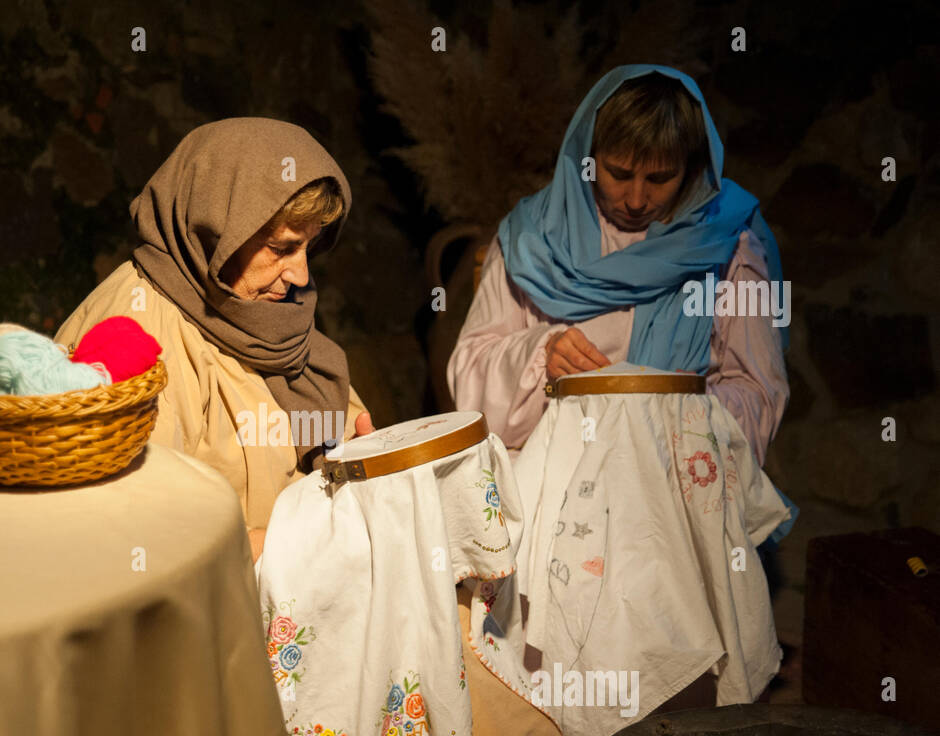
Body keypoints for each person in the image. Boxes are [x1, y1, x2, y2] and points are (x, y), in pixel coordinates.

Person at [56, 118, 373, 561]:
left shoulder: (267, 313)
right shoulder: (132, 334)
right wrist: (302, 546)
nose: (302, 274)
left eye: (309, 247)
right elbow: (125, 527)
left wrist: (368, 462)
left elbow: (337, 438)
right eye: (282, 248)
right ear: (213, 232)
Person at [449, 65, 790, 470]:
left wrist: (689, 409)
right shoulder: (533, 237)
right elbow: (468, 377)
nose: (635, 199)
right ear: (588, 157)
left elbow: (760, 391)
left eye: (660, 178)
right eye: (618, 173)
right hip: (551, 467)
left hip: (676, 473)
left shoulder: (730, 241)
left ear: (692, 168)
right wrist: (541, 355)